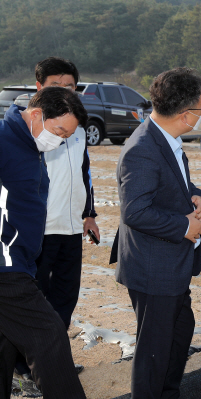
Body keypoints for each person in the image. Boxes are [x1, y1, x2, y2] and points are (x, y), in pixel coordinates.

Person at [112, 67, 201, 398]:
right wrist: (186, 226)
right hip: (153, 266)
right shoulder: (143, 148)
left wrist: (197, 195)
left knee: (179, 334)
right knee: (154, 350)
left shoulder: (166, 139)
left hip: (170, 264)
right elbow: (134, 211)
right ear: (186, 114)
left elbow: (176, 184)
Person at [12, 57, 99, 384]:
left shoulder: (75, 128)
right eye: (57, 86)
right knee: (35, 306)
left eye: (71, 86)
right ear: (39, 87)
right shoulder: (29, 128)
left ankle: (52, 362)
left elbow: (84, 171)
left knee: (64, 299)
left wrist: (89, 213)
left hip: (71, 228)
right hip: (39, 232)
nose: (66, 91)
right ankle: (25, 372)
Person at [0, 87, 88, 398]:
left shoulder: (31, 147)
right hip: (5, 266)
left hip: (20, 261)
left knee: (5, 346)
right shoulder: (4, 139)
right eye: (60, 131)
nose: (62, 140)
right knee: (49, 335)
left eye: (68, 135)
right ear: (37, 114)